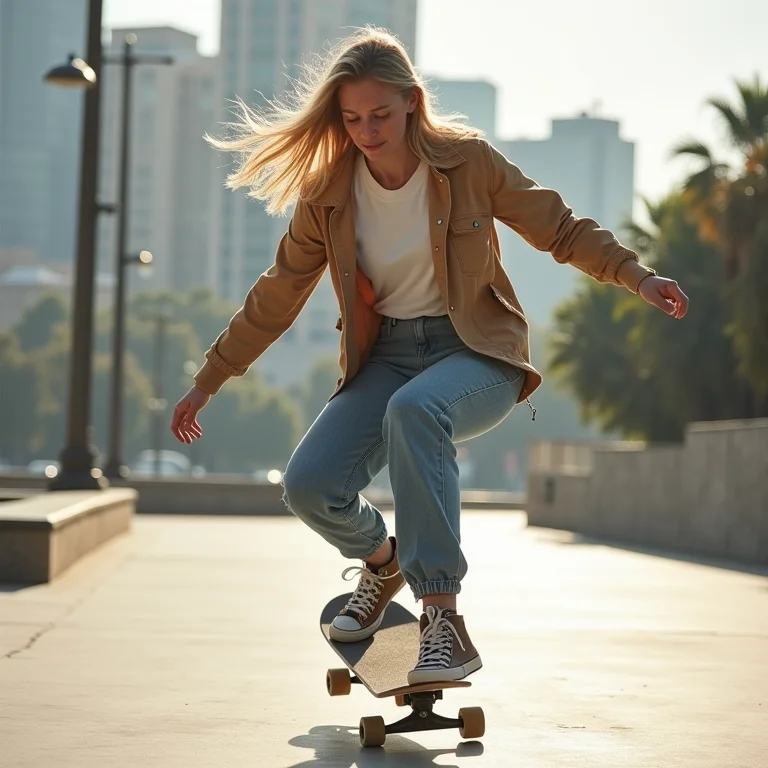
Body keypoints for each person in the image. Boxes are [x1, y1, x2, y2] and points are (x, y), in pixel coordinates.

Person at [170, 27, 689, 685]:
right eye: (352, 118)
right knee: (308, 486)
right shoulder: (330, 195)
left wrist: (636, 275)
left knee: (416, 410)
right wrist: (208, 379)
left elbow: (557, 228)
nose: (366, 131)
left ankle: (442, 617)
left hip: (476, 353)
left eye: (380, 115)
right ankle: (382, 563)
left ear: (412, 101)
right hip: (384, 358)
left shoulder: (467, 163)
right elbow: (277, 294)